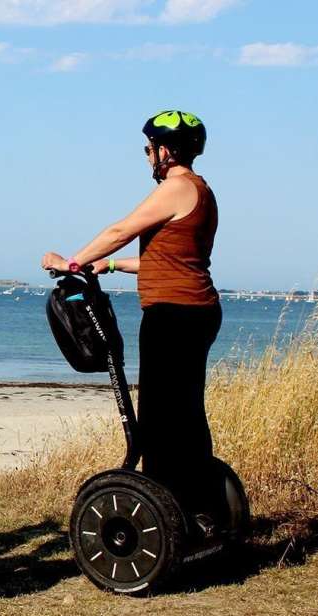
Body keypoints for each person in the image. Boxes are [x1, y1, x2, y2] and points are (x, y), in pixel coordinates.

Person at [40, 110, 222, 521]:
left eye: (148, 149)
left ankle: (169, 514)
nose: (146, 157)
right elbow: (173, 259)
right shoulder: (201, 191)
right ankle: (198, 507)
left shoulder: (176, 188)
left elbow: (119, 230)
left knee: (161, 418)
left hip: (174, 315)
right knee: (184, 412)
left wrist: (72, 261)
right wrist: (111, 267)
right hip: (196, 309)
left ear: (166, 151)